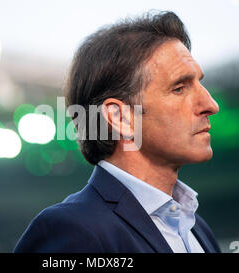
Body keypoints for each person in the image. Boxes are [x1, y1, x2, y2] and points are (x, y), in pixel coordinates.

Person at [14, 11, 221, 253]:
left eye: (200, 83)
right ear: (120, 118)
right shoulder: (73, 232)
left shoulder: (197, 228)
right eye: (179, 88)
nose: (211, 105)